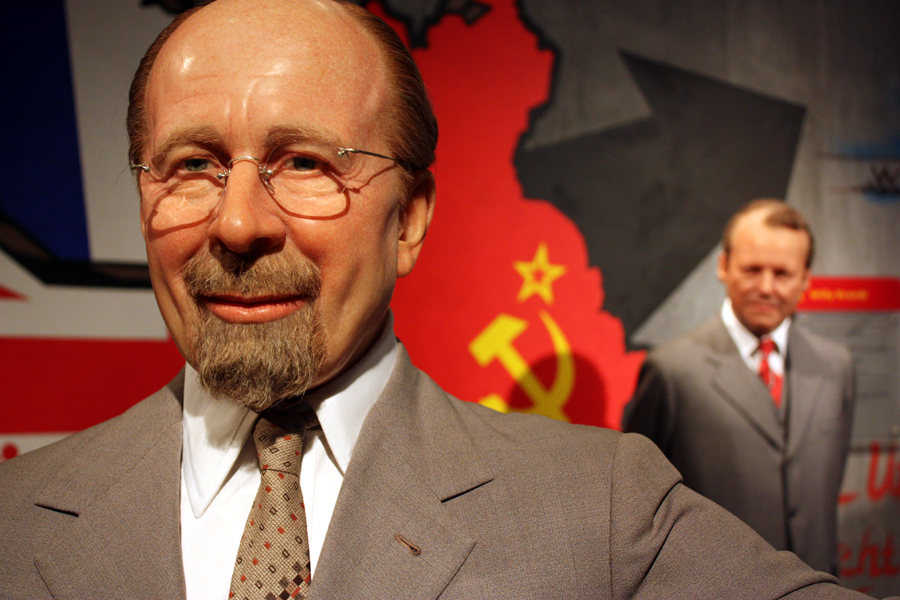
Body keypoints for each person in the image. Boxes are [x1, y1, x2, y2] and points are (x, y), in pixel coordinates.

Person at [0, 3, 881, 598]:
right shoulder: (15, 518)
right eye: (191, 165)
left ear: (410, 220)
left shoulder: (602, 510)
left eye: (305, 163)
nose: (236, 222)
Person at [623, 199, 854, 576]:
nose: (766, 287)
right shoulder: (671, 371)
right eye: (752, 270)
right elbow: (637, 500)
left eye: (782, 273)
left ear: (806, 278)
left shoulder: (837, 367)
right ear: (723, 266)